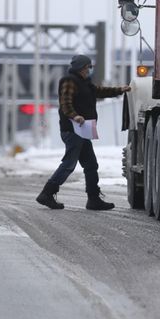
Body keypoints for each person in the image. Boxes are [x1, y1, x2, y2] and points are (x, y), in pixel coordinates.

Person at [36, 54, 131, 211]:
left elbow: (99, 91)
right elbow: (65, 103)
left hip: (83, 130)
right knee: (69, 164)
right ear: (81, 67)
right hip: (73, 130)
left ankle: (93, 199)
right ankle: (47, 193)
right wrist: (75, 116)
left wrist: (120, 90)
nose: (89, 70)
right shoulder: (69, 81)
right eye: (88, 67)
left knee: (91, 164)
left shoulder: (84, 83)